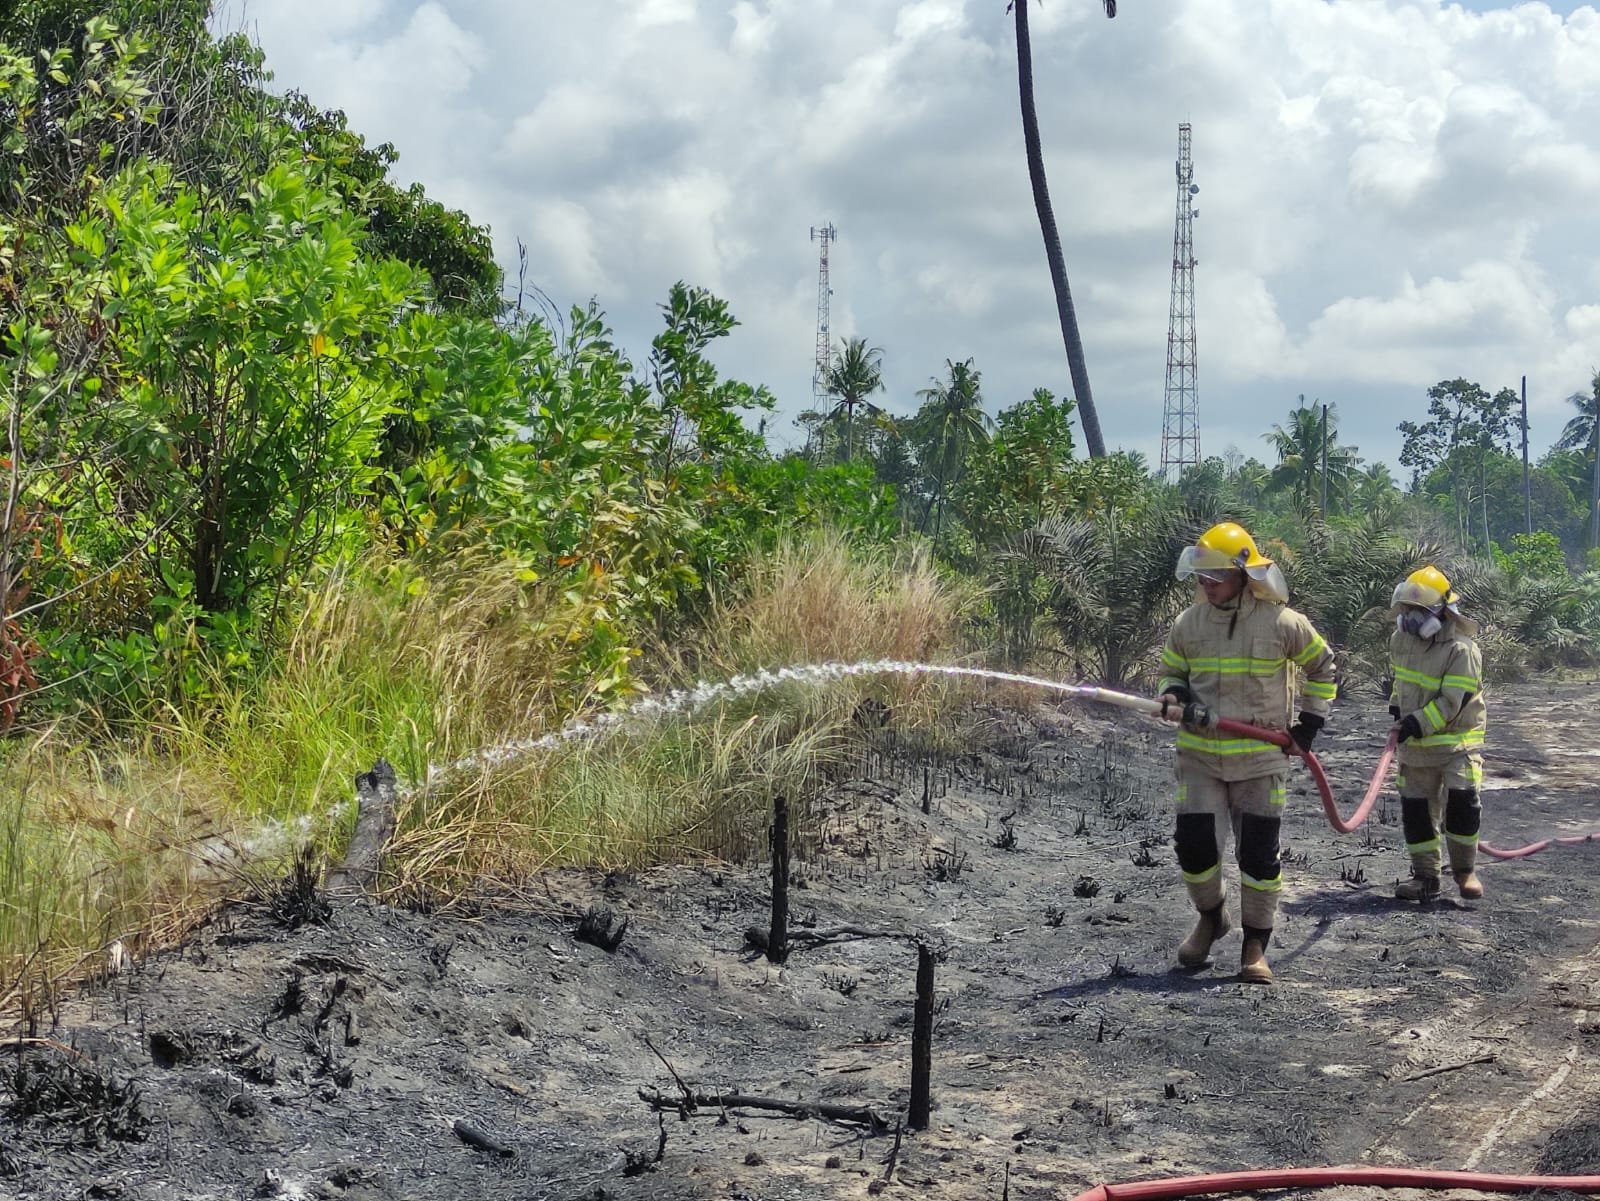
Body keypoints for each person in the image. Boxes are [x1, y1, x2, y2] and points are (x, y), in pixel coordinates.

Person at [1156, 521, 1337, 984]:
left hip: (1260, 758)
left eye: (1216, 577)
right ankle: (1212, 918)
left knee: (1258, 855)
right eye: (1201, 577)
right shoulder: (1188, 624)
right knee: (1194, 849)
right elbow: (1171, 671)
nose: (1206, 585)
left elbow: (1323, 666)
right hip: (1199, 756)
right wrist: (1173, 697)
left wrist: (1308, 726)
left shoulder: (1282, 622)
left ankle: (1254, 945)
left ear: (1244, 574)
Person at [1387, 565, 1487, 902]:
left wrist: (1415, 722)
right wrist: (1396, 708)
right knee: (1416, 810)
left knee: (1461, 804)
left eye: (1419, 611)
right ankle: (1425, 877)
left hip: (1456, 743)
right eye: (1407, 610)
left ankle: (1464, 871)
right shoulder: (1400, 640)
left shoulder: (1462, 650)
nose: (1411, 618)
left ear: (1441, 611)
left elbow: (1451, 703)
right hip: (1416, 748)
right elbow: (1403, 683)